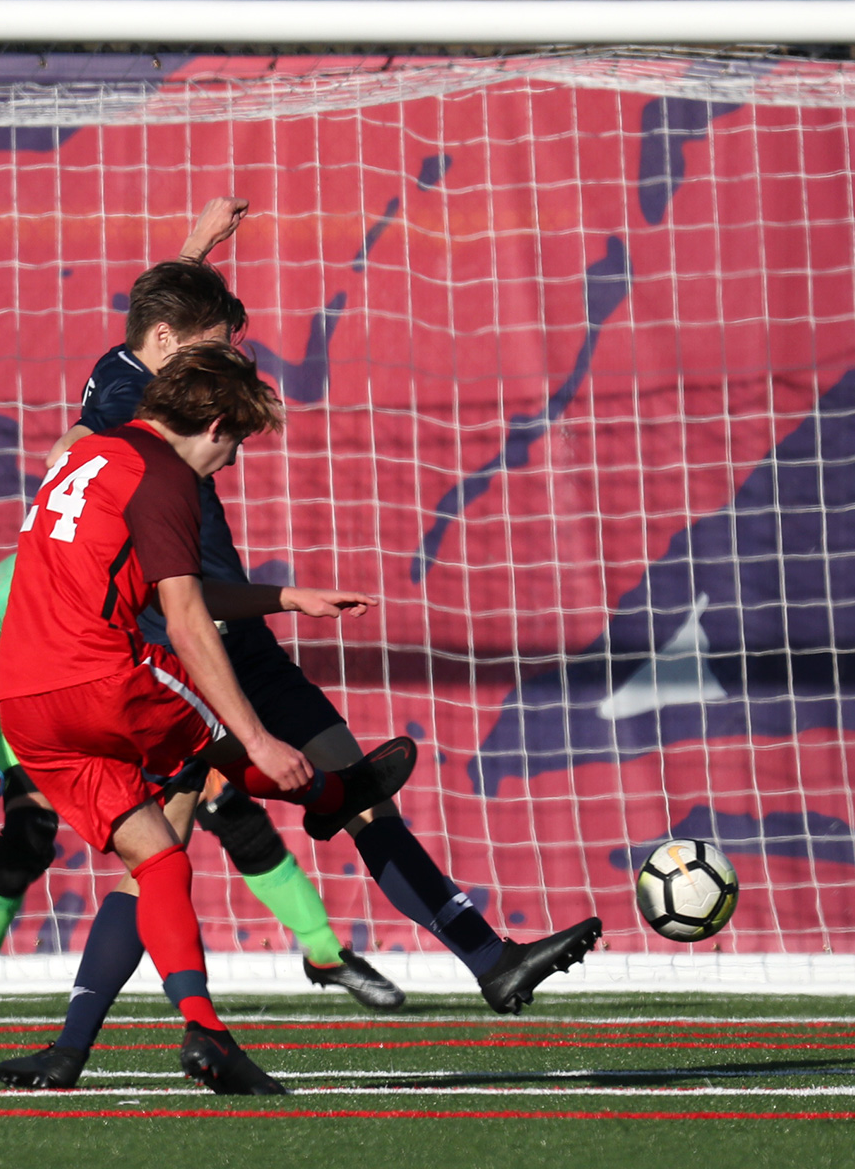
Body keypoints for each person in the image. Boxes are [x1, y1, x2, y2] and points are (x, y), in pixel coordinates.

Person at [43, 200, 601, 1015]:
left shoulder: (135, 362)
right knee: (163, 844)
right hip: (181, 646)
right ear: (168, 346)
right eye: (215, 350)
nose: (227, 371)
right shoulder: (128, 405)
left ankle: (491, 960)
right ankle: (77, 1032)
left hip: (240, 629)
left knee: (354, 788)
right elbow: (77, 447)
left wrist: (195, 247)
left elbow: (160, 319)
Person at [0, 341, 417, 1095]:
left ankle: (152, 1042)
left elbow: (159, 590)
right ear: (215, 424)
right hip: (104, 682)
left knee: (158, 862)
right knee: (221, 733)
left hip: (24, 703)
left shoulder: (84, 453)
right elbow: (185, 620)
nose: (232, 463)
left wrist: (285, 599)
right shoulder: (164, 478)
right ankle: (330, 798)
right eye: (238, 444)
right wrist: (256, 738)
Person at [0, 553, 406, 1018]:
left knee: (225, 810)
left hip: (126, 706)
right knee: (31, 837)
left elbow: (193, 606)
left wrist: (288, 598)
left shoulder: (127, 562)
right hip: (41, 724)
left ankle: (321, 952)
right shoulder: (16, 580)